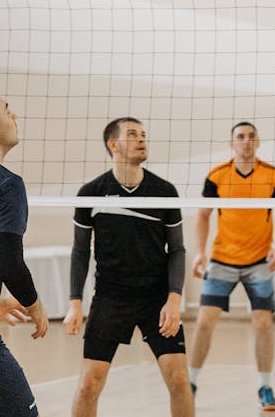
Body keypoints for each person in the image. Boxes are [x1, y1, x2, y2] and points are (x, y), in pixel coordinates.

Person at [64, 117, 192, 417]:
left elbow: (177, 249)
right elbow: (80, 251)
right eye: (132, 134)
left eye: (144, 134)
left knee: (179, 380)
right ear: (113, 144)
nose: (141, 139)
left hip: (156, 298)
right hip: (110, 297)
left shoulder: (164, 191)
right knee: (88, 385)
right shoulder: (91, 192)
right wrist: (75, 302)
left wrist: (174, 299)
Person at [188, 121, 275, 411]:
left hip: (259, 262)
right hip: (222, 260)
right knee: (204, 322)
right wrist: (200, 252)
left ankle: (265, 386)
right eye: (240, 137)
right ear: (231, 143)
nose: (246, 141)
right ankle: (191, 383)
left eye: (251, 136)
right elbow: (202, 215)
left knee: (263, 323)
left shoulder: (271, 175)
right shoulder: (218, 175)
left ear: (257, 141)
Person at [0, 91, 49, 417]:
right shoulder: (6, 184)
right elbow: (11, 264)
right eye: (8, 111)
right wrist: (35, 305)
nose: (14, 117)